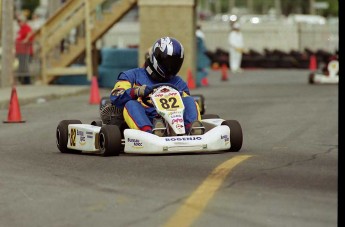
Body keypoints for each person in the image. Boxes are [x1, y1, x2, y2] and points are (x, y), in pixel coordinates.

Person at [110, 37, 204, 136]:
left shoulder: (178, 82)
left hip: (173, 120)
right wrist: (137, 91)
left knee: (189, 100)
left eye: (174, 63)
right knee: (130, 104)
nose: (170, 67)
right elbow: (115, 95)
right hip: (145, 116)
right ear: (157, 59)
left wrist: (177, 94)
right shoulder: (131, 76)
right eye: (168, 62)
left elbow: (186, 105)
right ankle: (150, 132)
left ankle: (193, 129)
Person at [15, 14, 34, 85]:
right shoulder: (20, 29)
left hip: (26, 51)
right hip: (20, 51)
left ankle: (27, 81)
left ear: (24, 21)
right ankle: (22, 80)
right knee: (21, 66)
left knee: (25, 66)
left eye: (20, 21)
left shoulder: (26, 27)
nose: (19, 23)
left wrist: (26, 40)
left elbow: (30, 33)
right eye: (18, 21)